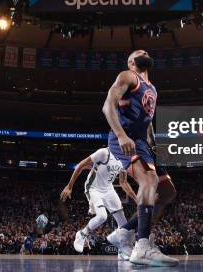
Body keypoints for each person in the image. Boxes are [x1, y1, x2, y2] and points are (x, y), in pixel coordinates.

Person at [102, 49, 178, 266]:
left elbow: (147, 123)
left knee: (166, 192)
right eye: (139, 52)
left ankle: (123, 232)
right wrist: (121, 134)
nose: (144, 51)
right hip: (126, 139)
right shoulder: (128, 76)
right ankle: (142, 245)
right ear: (131, 62)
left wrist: (155, 146)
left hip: (143, 142)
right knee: (149, 181)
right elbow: (108, 105)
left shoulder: (152, 88)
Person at [60, 147, 137, 257]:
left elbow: (123, 182)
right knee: (102, 216)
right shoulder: (104, 153)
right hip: (93, 188)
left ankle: (122, 249)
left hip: (108, 189)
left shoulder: (125, 159)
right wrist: (69, 186)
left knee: (124, 224)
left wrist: (136, 199)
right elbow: (81, 165)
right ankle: (82, 234)